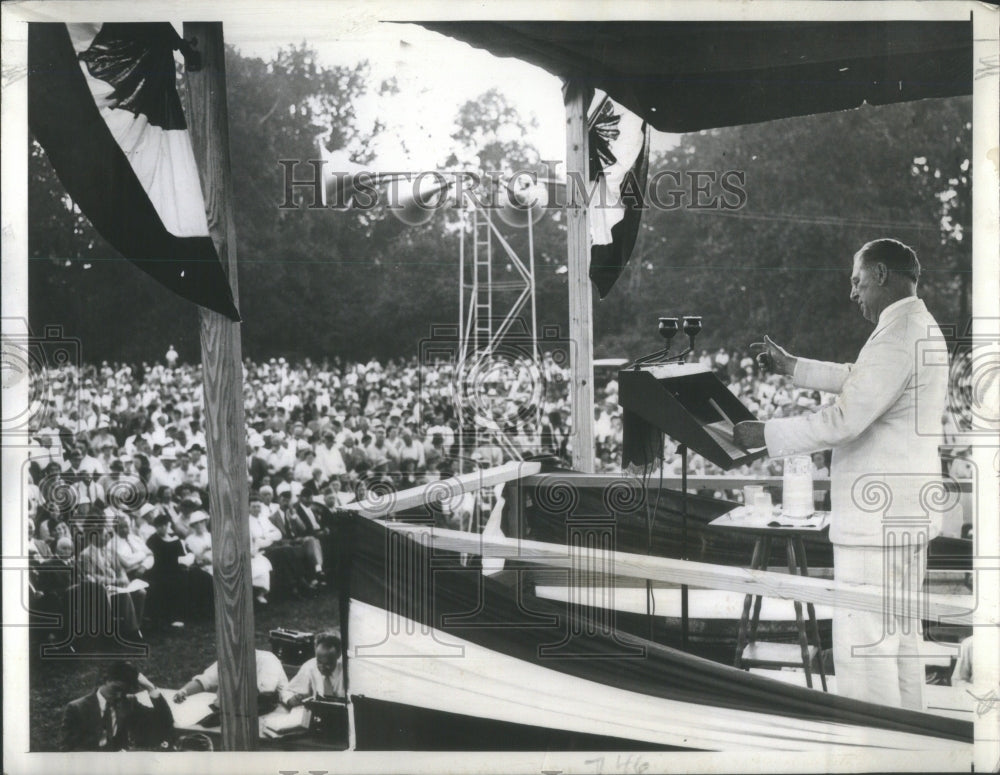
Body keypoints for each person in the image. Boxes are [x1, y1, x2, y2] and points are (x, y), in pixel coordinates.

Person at [734, 239, 947, 711]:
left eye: (857, 280)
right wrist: (795, 367)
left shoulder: (897, 334)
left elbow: (845, 419)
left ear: (882, 275)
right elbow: (861, 377)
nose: (853, 292)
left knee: (865, 651)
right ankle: (908, 745)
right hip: (903, 517)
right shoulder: (916, 325)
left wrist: (764, 434)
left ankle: (873, 750)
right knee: (901, 642)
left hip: (876, 525)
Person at [60, 662, 173, 751]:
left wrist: (150, 688)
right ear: (105, 681)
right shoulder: (77, 708)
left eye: (124, 692)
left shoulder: (128, 703)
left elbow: (164, 721)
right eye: (116, 689)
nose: (119, 695)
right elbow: (67, 749)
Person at [173, 649, 288, 703]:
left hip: (274, 709)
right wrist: (184, 691)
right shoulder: (230, 657)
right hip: (241, 708)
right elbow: (205, 681)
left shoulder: (268, 659)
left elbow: (265, 691)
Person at [281, 630, 344, 706]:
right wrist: (291, 699)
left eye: (328, 664)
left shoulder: (348, 669)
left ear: (338, 655)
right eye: (319, 662)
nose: (322, 668)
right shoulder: (310, 666)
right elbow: (288, 691)